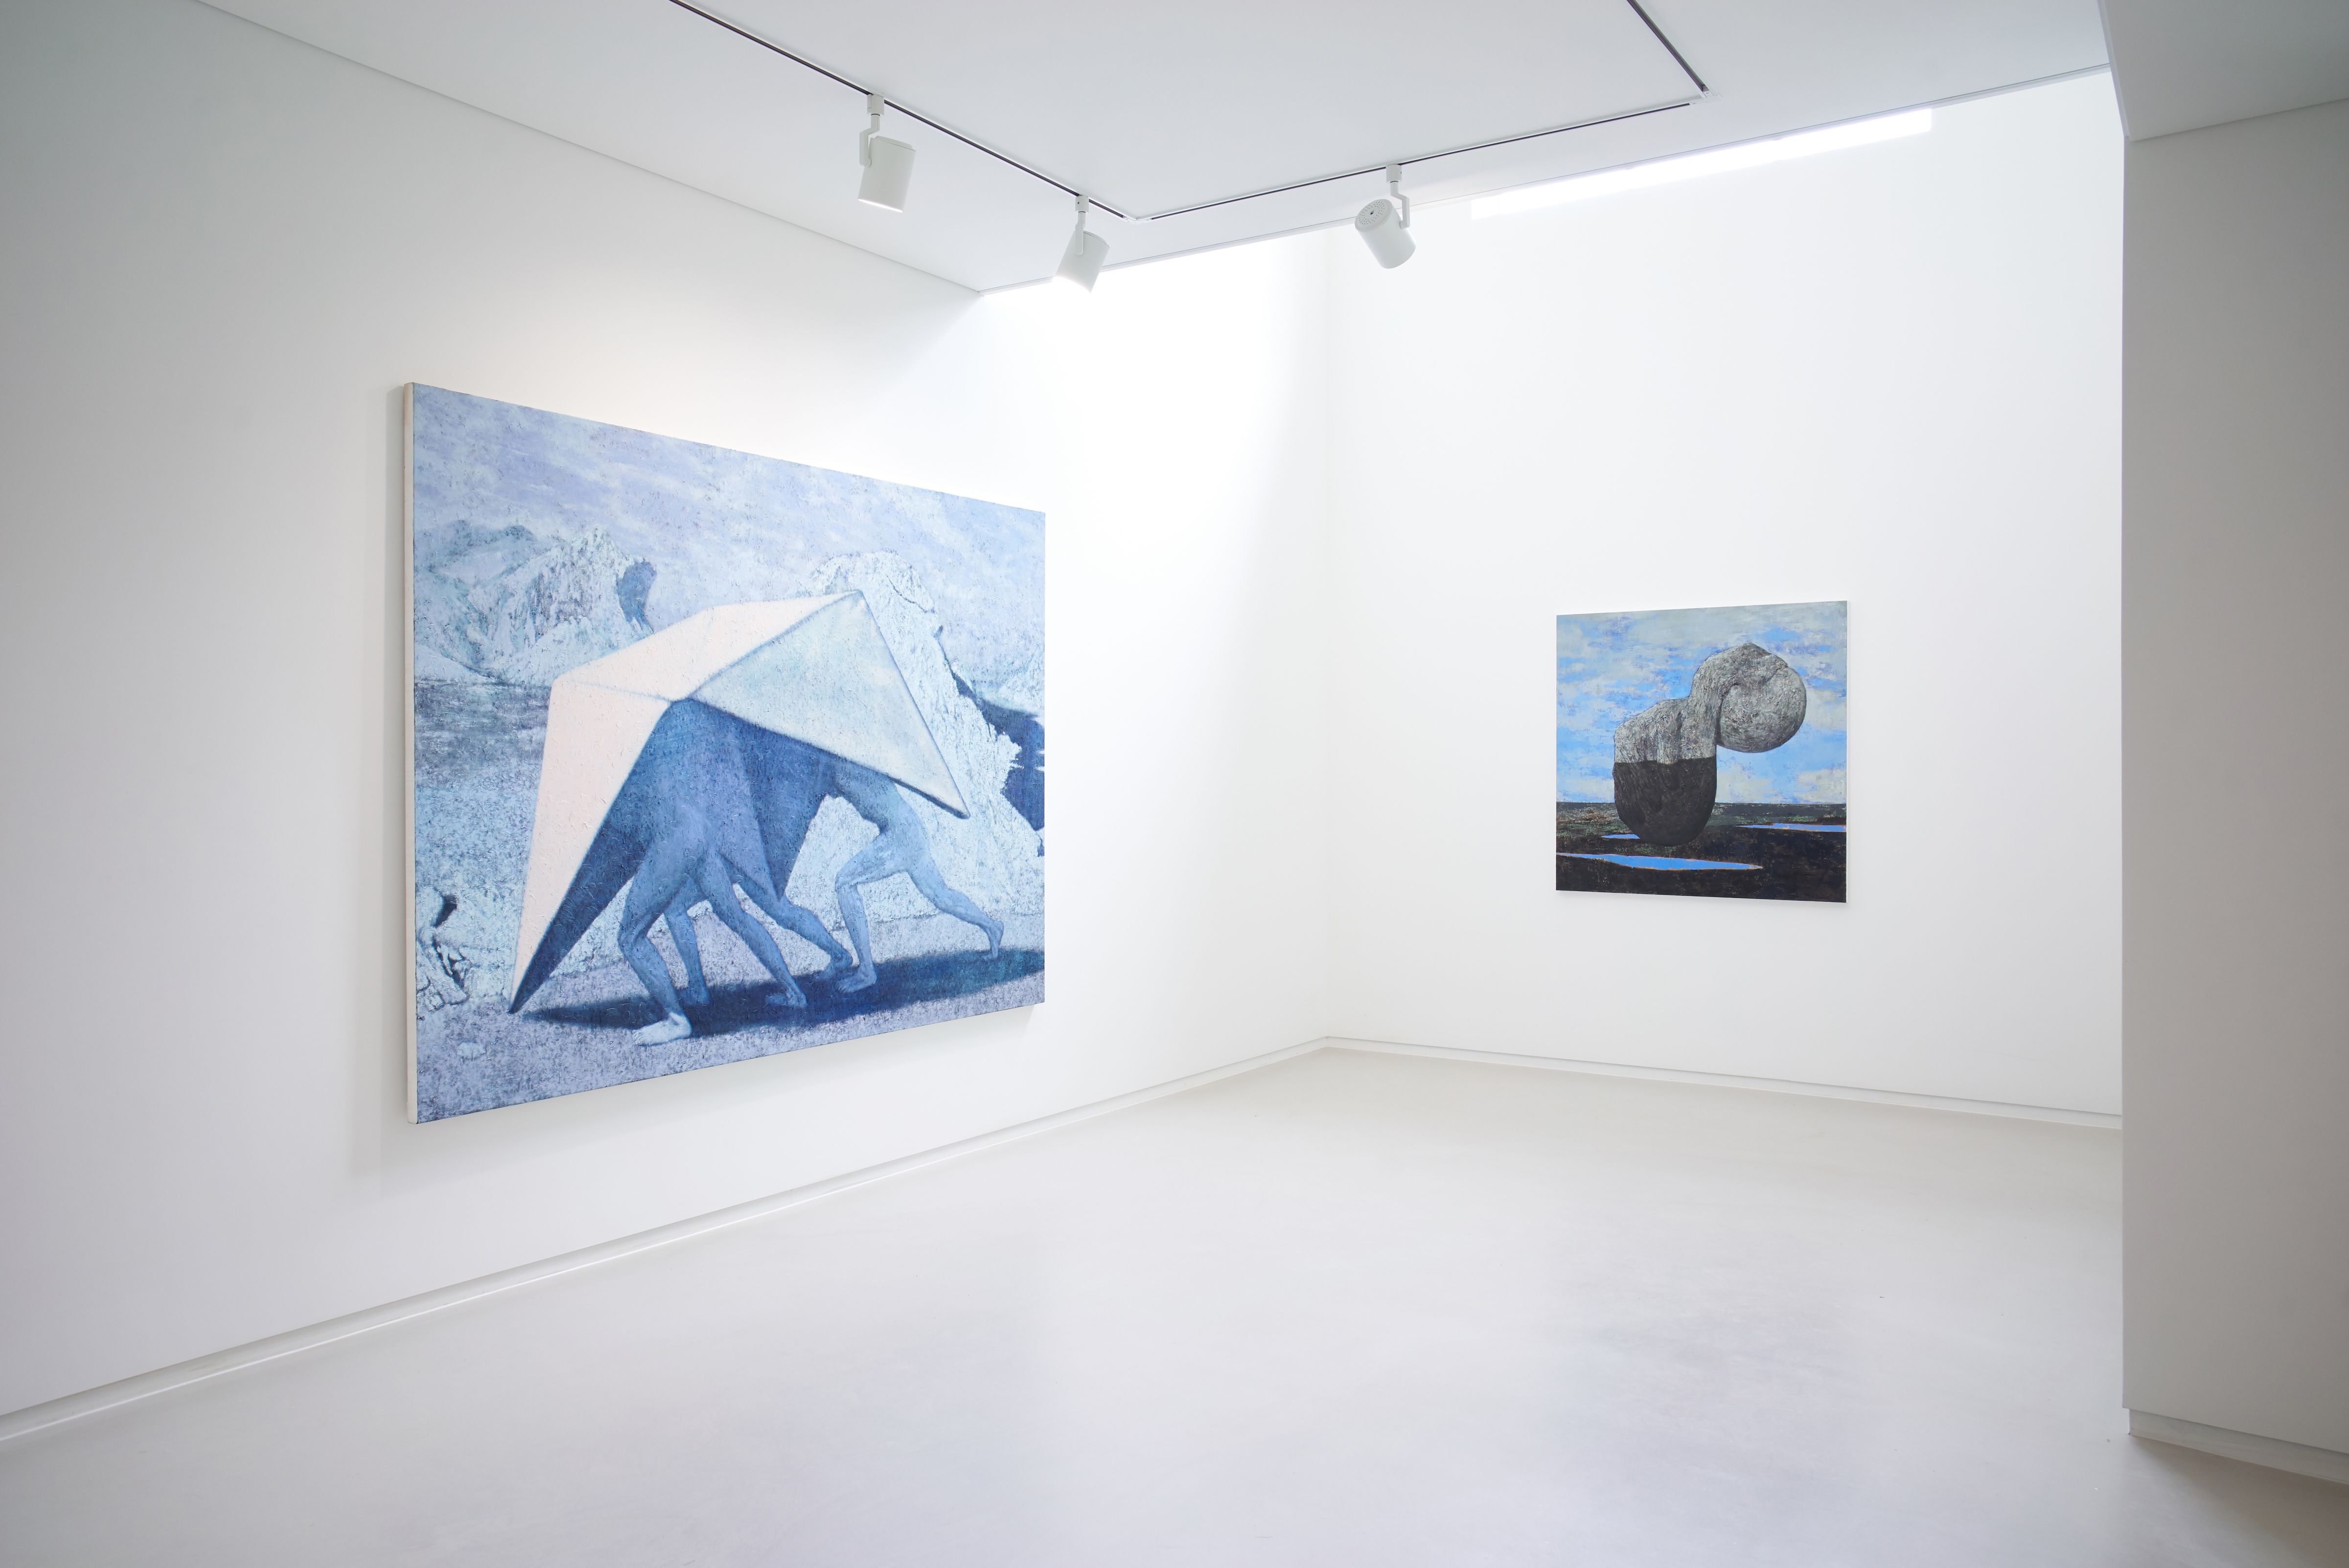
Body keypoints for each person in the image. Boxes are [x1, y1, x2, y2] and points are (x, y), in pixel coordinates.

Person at [825, 756, 1002, 993]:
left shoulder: (842, 756)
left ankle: (866, 971)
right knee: (941, 895)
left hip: (900, 835)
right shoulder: (844, 756)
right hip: (910, 830)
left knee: (845, 882)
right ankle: (992, 926)